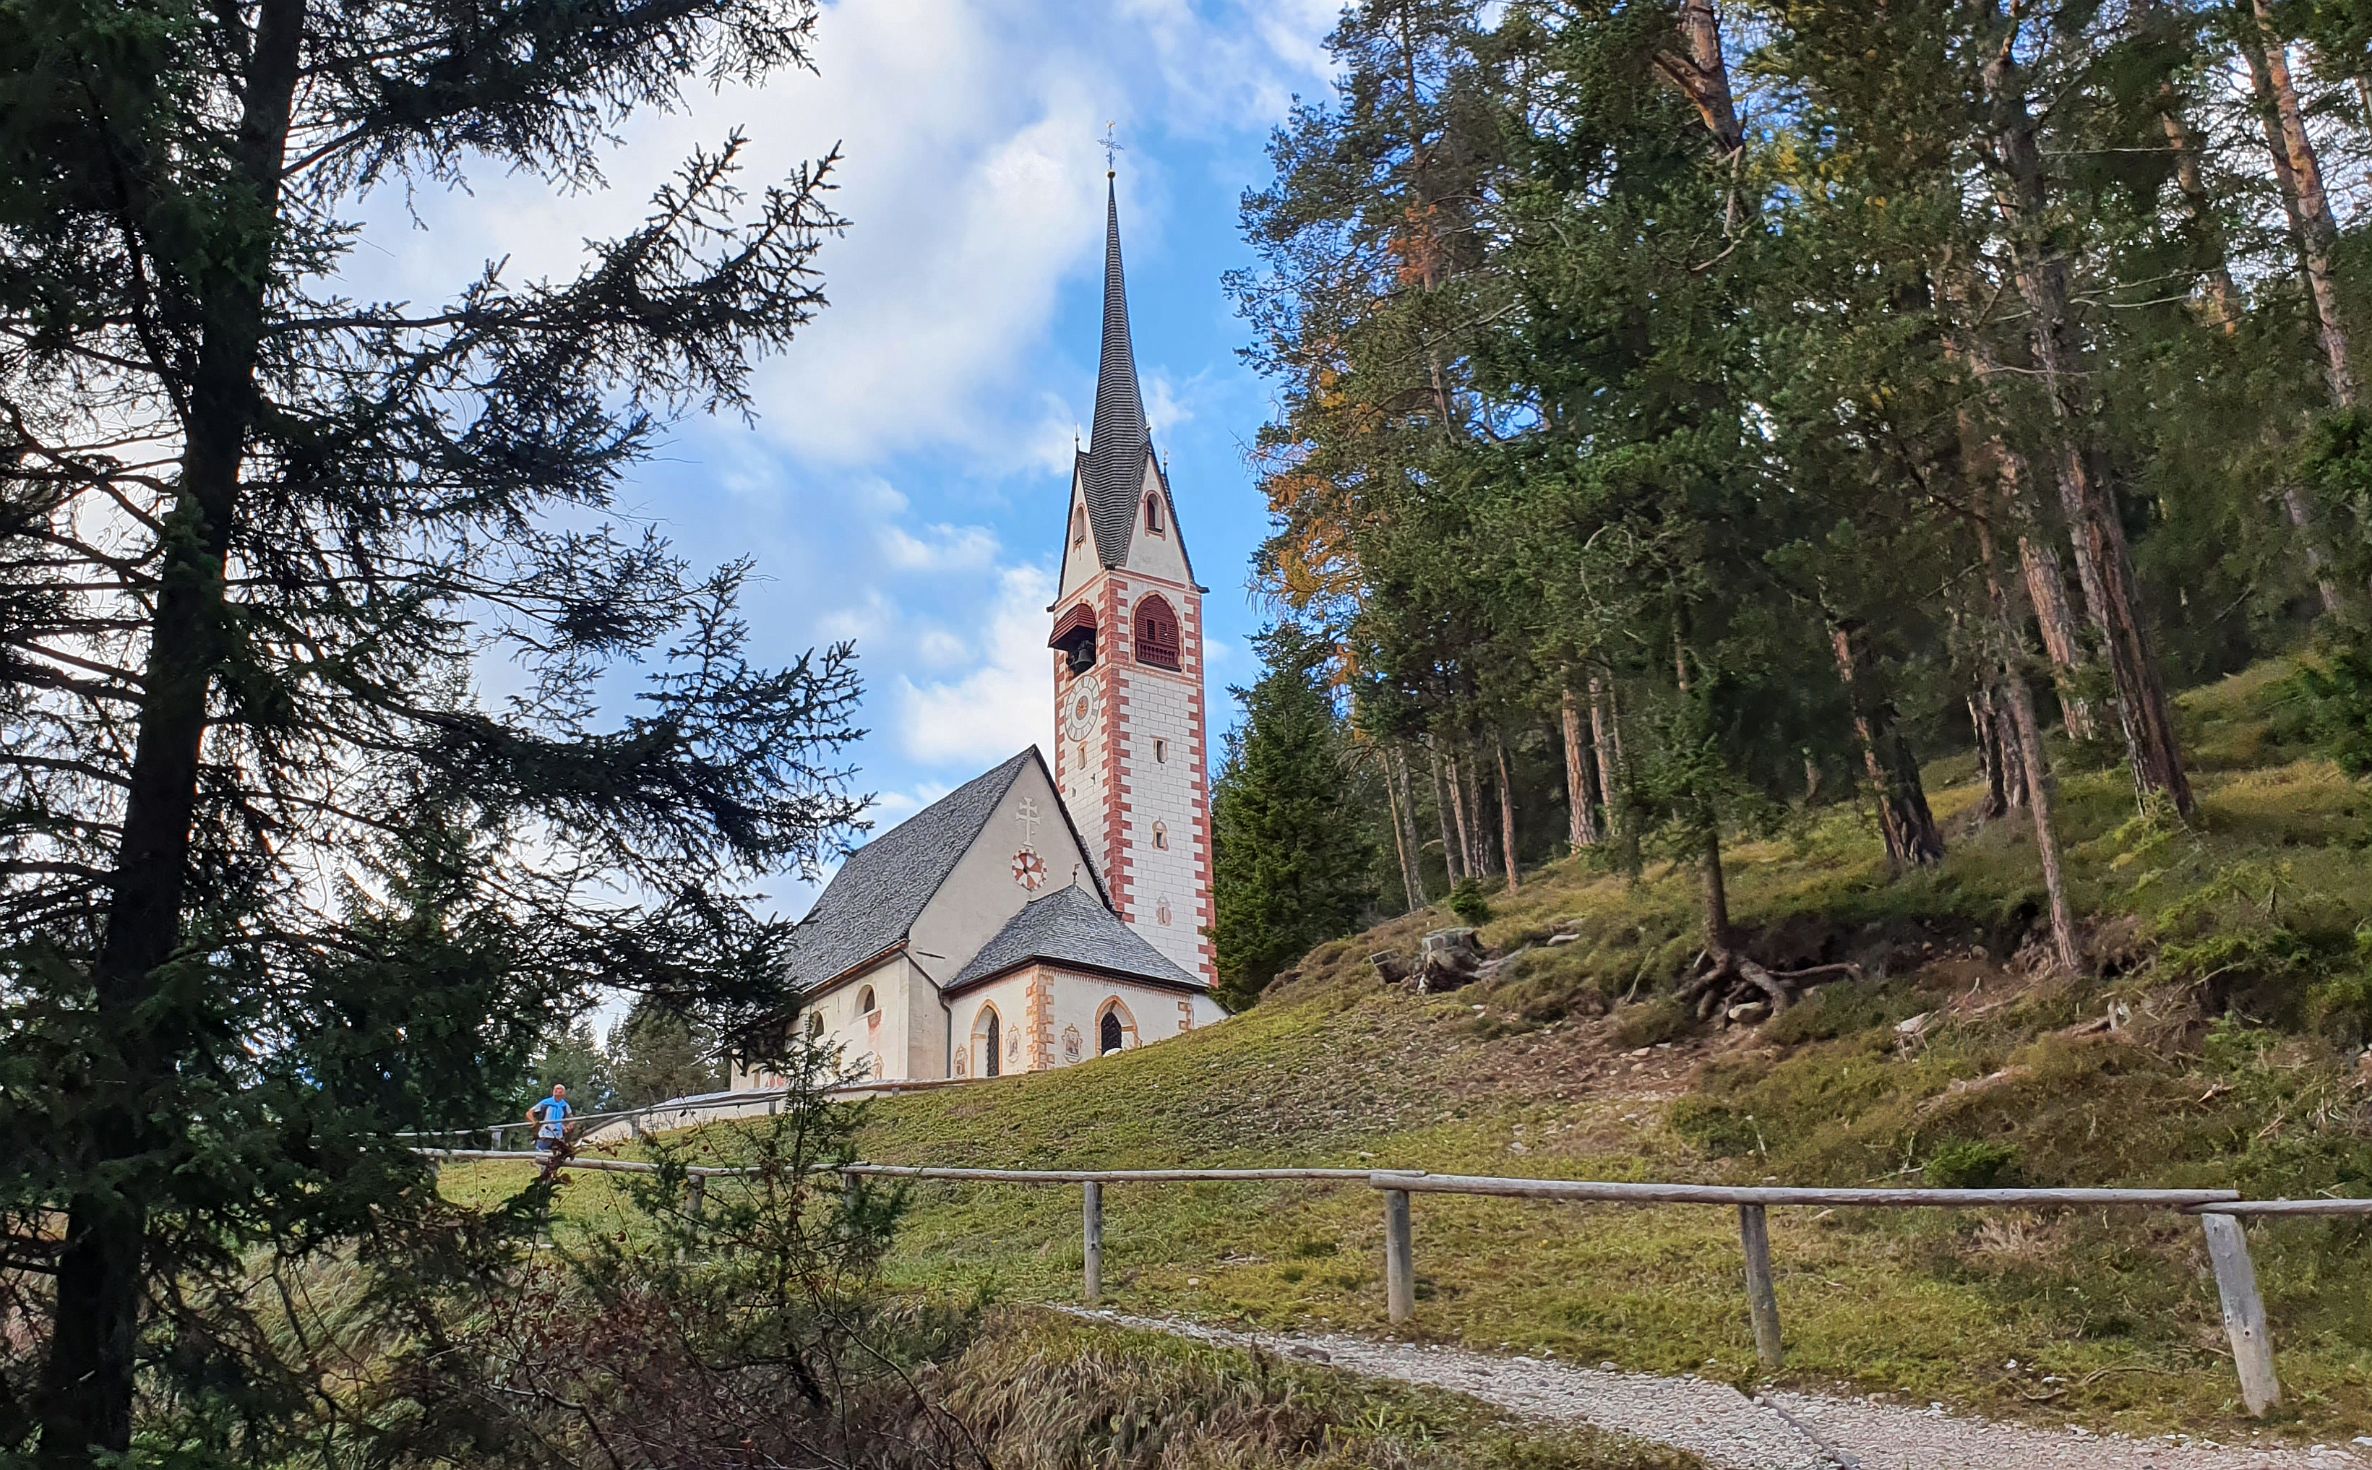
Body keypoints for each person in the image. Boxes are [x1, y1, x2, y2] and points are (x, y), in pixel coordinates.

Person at [527, 1083, 573, 1174]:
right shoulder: (546, 1102)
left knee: (557, 1156)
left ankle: (552, 1173)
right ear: (553, 1091)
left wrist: (569, 1126)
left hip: (558, 1135)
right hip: (545, 1133)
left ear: (564, 1093)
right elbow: (529, 1112)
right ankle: (542, 1172)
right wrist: (533, 1122)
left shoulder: (565, 1106)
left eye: (560, 1090)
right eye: (556, 1090)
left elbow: (571, 1118)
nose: (558, 1092)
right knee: (541, 1154)